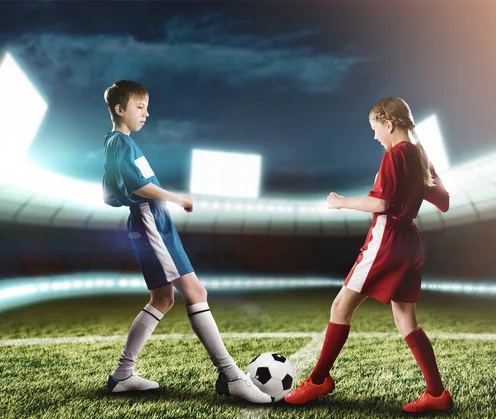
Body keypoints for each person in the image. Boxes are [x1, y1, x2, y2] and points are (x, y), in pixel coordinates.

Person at [102, 80, 270, 403]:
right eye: (140, 107)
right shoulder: (121, 144)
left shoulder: (115, 144)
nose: (146, 113)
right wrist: (174, 198)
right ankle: (231, 375)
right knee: (196, 292)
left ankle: (123, 375)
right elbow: (136, 187)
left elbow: (110, 195)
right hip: (152, 223)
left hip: (147, 222)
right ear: (120, 109)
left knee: (163, 299)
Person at [284, 97, 453, 413]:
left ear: (389, 124)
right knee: (406, 320)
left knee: (340, 306)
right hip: (410, 244)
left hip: (386, 241)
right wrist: (428, 170)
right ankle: (436, 393)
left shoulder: (394, 156)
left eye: (376, 129)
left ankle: (319, 380)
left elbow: (381, 204)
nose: (376, 137)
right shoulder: (419, 157)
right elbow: (443, 201)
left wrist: (340, 202)